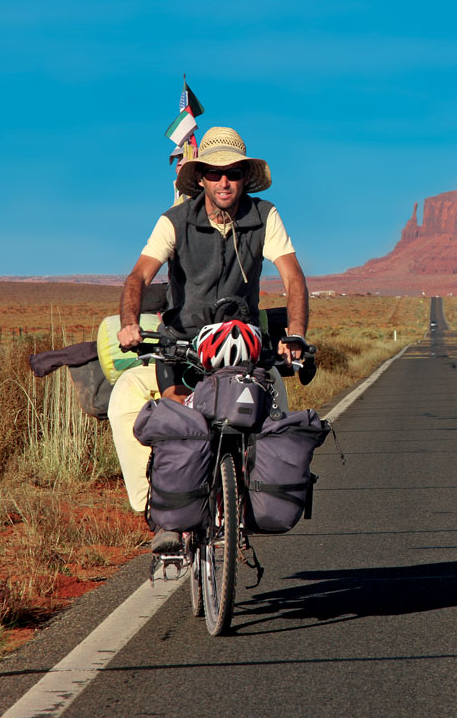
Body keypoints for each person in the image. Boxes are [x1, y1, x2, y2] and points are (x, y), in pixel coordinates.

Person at [110, 126, 309, 553]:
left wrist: (296, 336)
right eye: (215, 173)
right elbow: (138, 276)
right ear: (199, 177)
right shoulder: (174, 221)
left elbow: (292, 278)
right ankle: (157, 509)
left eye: (233, 174)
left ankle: (253, 499)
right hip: (181, 349)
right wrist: (130, 323)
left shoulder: (264, 216)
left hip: (243, 350)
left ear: (244, 177)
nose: (224, 182)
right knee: (127, 398)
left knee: (274, 404)